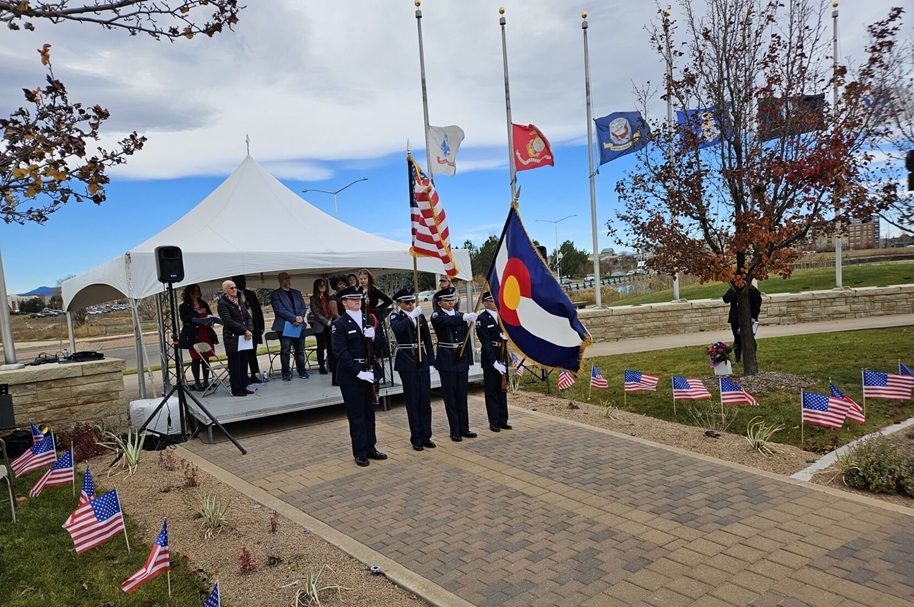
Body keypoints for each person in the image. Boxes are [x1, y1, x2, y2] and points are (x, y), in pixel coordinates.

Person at [331, 285, 387, 467]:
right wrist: (358, 371)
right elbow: (340, 352)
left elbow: (382, 346)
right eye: (353, 299)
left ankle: (371, 447)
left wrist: (374, 337)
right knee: (356, 415)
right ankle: (360, 451)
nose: (357, 301)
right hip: (352, 375)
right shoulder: (339, 325)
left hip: (370, 371)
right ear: (344, 303)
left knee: (370, 413)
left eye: (359, 298)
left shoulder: (368, 319)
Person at [388, 287, 436, 451]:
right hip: (407, 359)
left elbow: (427, 340)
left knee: (425, 400)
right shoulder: (395, 316)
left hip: (421, 358)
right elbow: (397, 329)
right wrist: (410, 317)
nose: (410, 304)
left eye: (411, 301)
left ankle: (426, 435)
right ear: (399, 303)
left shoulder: (420, 316)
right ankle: (416, 438)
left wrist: (431, 361)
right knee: (413, 400)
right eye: (406, 302)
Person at [430, 286, 477, 441]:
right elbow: (447, 322)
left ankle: (465, 428)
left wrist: (469, 359)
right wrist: (464, 318)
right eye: (447, 300)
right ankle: (454, 430)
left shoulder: (460, 315)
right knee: (450, 396)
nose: (450, 302)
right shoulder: (437, 315)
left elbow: (466, 339)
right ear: (440, 302)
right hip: (447, 359)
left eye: (452, 299)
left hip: (461, 358)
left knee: (462, 395)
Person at [475, 291, 511, 432]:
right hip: (491, 358)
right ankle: (494, 421)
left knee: (502, 389)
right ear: (484, 303)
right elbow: (486, 343)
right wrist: (494, 362)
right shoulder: (482, 319)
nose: (494, 303)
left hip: (502, 355)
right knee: (491, 391)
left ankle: (503, 419)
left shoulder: (501, 317)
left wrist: (505, 338)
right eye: (491, 301)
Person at [217, 279, 256, 397]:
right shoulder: (222, 303)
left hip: (244, 336)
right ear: (225, 290)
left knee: (244, 362)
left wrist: (249, 329)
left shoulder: (239, 301)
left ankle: (244, 386)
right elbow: (228, 321)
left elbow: (248, 317)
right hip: (232, 337)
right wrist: (244, 330)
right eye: (231, 288)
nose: (234, 290)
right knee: (235, 363)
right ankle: (237, 389)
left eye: (235, 288)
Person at [270, 272, 311, 381]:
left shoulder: (297, 293)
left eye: (288, 278)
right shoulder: (276, 294)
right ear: (279, 280)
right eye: (285, 279)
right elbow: (279, 309)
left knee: (300, 350)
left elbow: (303, 307)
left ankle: (302, 370)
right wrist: (294, 318)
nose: (287, 280)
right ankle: (286, 372)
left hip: (299, 325)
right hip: (285, 326)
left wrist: (300, 317)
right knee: (285, 350)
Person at [178, 283, 218, 391]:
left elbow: (209, 315)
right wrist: (196, 312)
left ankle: (206, 381)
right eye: (194, 291)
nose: (196, 293)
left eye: (198, 290)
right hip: (193, 335)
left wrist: (210, 322)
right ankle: (197, 382)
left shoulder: (203, 303)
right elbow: (185, 319)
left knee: (206, 358)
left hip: (205, 332)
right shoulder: (184, 306)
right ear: (189, 292)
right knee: (196, 358)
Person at [233, 275, 265, 383]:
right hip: (241, 328)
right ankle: (244, 375)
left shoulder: (250, 294)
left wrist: (260, 326)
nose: (243, 282)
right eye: (240, 281)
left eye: (244, 280)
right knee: (243, 353)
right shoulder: (233, 295)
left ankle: (253, 374)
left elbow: (257, 311)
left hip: (253, 327)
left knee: (253, 352)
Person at [722, 281, 762, 363]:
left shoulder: (752, 290)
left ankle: (751, 357)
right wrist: (734, 291)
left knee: (749, 338)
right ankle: (737, 358)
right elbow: (725, 299)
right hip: (735, 319)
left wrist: (754, 317)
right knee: (737, 339)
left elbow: (757, 304)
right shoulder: (733, 289)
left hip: (748, 319)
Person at [310, 278, 332, 374]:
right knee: (321, 347)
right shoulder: (313, 298)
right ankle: (321, 366)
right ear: (316, 287)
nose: (322, 287)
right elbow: (316, 313)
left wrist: (330, 320)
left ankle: (331, 365)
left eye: (324, 285)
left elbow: (332, 309)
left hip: (330, 324)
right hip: (320, 325)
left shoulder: (329, 297)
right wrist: (325, 321)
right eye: (320, 285)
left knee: (331, 346)